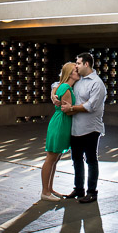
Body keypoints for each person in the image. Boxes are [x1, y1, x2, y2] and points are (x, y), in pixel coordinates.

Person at [60, 52, 106, 203]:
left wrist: (71, 108)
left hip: (91, 128)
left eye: (78, 63)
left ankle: (92, 192)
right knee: (76, 159)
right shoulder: (78, 80)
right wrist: (54, 95)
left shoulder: (96, 83)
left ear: (86, 64)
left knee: (91, 159)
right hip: (76, 127)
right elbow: (60, 84)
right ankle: (79, 189)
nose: (77, 66)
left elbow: (90, 106)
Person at [40, 62, 78, 201]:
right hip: (61, 123)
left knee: (54, 159)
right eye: (75, 70)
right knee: (51, 158)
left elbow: (56, 86)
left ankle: (49, 188)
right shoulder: (66, 88)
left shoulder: (62, 87)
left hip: (59, 122)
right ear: (69, 74)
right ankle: (45, 191)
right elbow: (67, 111)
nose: (78, 72)